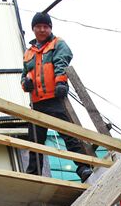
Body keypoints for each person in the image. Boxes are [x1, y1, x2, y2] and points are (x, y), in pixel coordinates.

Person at [21, 12, 92, 182]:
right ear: (34, 29)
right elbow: (24, 75)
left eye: (46, 26)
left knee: (68, 134)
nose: (42, 29)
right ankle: (33, 175)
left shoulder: (58, 44)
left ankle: (83, 167)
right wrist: (26, 84)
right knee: (35, 140)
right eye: (39, 26)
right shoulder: (28, 52)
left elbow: (62, 61)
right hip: (37, 102)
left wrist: (61, 82)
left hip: (55, 97)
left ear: (50, 28)